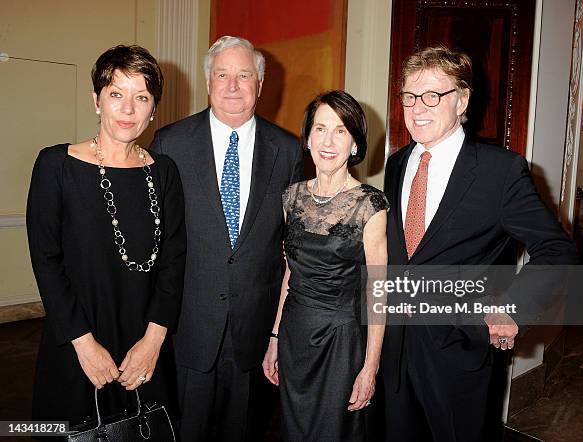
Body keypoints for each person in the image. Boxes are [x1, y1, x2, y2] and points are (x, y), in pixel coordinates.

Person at [381, 46, 577, 441]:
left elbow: (557, 250)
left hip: (459, 350)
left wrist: (511, 308)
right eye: (409, 96)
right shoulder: (397, 163)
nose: (418, 107)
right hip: (394, 344)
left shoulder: (500, 171)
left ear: (462, 100)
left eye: (433, 95)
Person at [150, 35, 303, 441]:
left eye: (244, 75)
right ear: (208, 82)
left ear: (260, 84)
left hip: (253, 337)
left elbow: (293, 249)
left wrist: (276, 334)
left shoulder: (288, 151)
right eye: (222, 75)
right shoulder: (170, 144)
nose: (232, 86)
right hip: (187, 330)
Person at [27, 45, 186, 428]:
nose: (128, 109)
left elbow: (173, 262)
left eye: (141, 97)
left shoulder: (164, 172)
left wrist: (153, 343)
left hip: (144, 346)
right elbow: (46, 262)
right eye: (116, 94)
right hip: (77, 341)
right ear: (96, 100)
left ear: (153, 109)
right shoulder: (56, 165)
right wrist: (84, 345)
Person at [262, 90, 388, 441]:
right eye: (320, 129)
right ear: (307, 137)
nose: (328, 141)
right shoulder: (292, 197)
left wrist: (370, 368)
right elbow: (291, 272)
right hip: (295, 339)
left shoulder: (370, 204)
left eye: (340, 130)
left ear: (355, 144)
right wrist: (274, 337)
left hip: (341, 345)